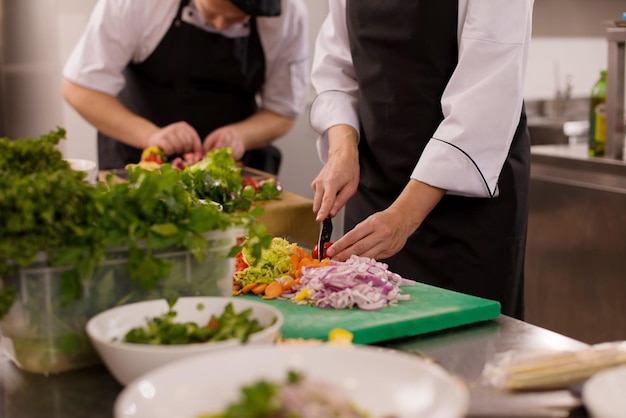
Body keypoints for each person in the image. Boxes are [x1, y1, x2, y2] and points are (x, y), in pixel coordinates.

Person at [309, 0, 533, 319]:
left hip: (466, 210)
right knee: (366, 341)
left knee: (461, 350)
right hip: (374, 185)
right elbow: (335, 68)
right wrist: (342, 148)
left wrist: (403, 216)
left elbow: (484, 102)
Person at [62, 0, 309, 174]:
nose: (221, 25)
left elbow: (283, 112)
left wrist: (241, 135)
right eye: (212, 12)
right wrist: (151, 136)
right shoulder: (139, 4)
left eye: (237, 19)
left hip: (230, 176)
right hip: (136, 161)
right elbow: (81, 88)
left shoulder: (289, 13)